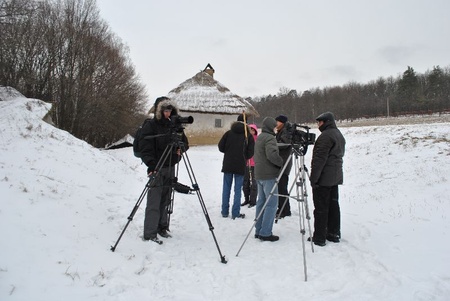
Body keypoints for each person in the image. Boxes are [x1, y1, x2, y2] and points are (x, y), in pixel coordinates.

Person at [140, 97, 189, 244]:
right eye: (166, 110)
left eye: (170, 110)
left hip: (170, 166)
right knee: (154, 201)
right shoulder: (151, 125)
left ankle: (162, 227)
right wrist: (151, 165)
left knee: (166, 199)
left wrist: (181, 149)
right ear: (160, 111)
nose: (168, 113)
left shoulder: (173, 126)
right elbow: (145, 148)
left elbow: (185, 143)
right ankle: (150, 233)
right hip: (157, 167)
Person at [309, 111, 346, 247]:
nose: (318, 125)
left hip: (324, 177)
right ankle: (334, 233)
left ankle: (319, 237)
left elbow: (319, 160)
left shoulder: (325, 137)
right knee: (333, 205)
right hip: (335, 176)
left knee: (321, 208)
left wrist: (314, 178)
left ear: (326, 122)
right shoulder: (338, 134)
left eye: (320, 122)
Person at [218, 114, 255, 219]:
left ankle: (224, 211)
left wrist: (229, 152)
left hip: (228, 164)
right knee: (237, 190)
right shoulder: (248, 136)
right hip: (240, 165)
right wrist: (244, 157)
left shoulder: (228, 133)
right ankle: (235, 213)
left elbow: (221, 147)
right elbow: (251, 152)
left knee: (226, 188)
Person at [254, 117, 284, 241]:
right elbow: (271, 155)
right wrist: (280, 162)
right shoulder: (270, 138)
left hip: (259, 174)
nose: (275, 129)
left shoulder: (260, 137)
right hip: (268, 175)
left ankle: (258, 229)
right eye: (274, 127)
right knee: (271, 204)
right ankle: (265, 232)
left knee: (261, 201)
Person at [274, 114, 293, 218]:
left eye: (277, 122)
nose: (276, 124)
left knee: (282, 187)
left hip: (284, 163)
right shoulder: (282, 131)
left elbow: (284, 144)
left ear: (282, 122)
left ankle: (284, 210)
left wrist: (273, 144)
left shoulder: (286, 132)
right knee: (280, 187)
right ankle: (282, 208)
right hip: (281, 162)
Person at [241, 123, 258, 208]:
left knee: (254, 183)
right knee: (245, 182)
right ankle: (246, 198)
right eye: (250, 130)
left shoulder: (257, 140)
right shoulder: (245, 139)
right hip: (246, 164)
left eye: (253, 130)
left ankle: (253, 200)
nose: (251, 131)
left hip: (255, 164)